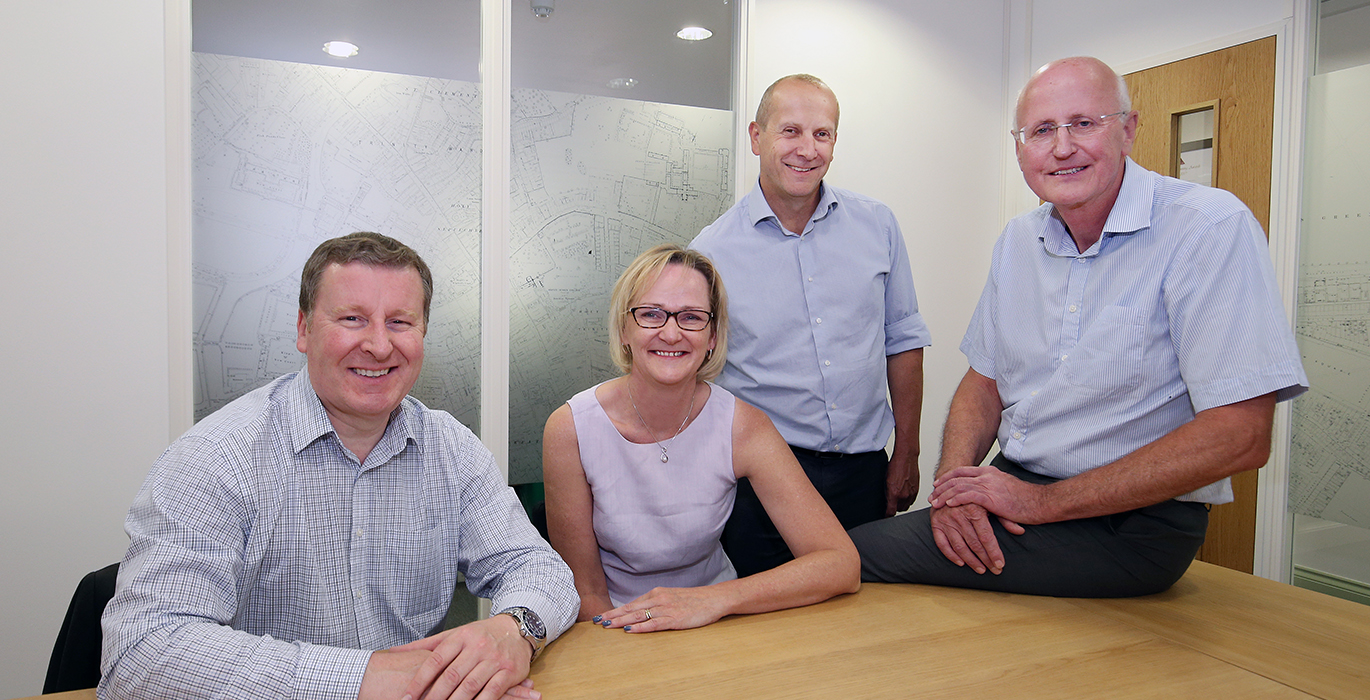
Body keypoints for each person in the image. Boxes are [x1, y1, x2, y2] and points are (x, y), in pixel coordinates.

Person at [849, 57, 1309, 597]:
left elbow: (1241, 435)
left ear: (1129, 130)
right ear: (1019, 148)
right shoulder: (1020, 241)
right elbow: (985, 381)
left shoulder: (1207, 228)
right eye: (1042, 130)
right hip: (1014, 490)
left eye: (1084, 124)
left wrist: (1039, 503)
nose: (1062, 147)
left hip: (1132, 526)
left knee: (845, 559)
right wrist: (955, 488)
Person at [100, 232, 578, 700]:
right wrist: (368, 680)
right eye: (352, 318)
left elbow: (536, 567)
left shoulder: (450, 447)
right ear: (305, 329)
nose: (378, 345)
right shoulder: (217, 457)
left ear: (423, 334)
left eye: (400, 322)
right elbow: (141, 654)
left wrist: (513, 630)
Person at [542, 243, 860, 632]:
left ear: (712, 336)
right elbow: (586, 593)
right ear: (624, 328)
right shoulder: (570, 428)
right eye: (651, 314)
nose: (671, 333)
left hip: (717, 618)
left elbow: (841, 563)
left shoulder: (743, 426)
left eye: (691, 317)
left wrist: (714, 600)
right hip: (613, 625)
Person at [690, 74, 931, 578]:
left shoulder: (879, 226)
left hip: (865, 470)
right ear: (757, 137)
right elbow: (696, 373)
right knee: (770, 629)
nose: (807, 149)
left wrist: (906, 449)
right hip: (763, 480)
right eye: (791, 131)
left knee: (861, 618)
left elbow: (903, 340)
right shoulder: (711, 253)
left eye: (822, 134)